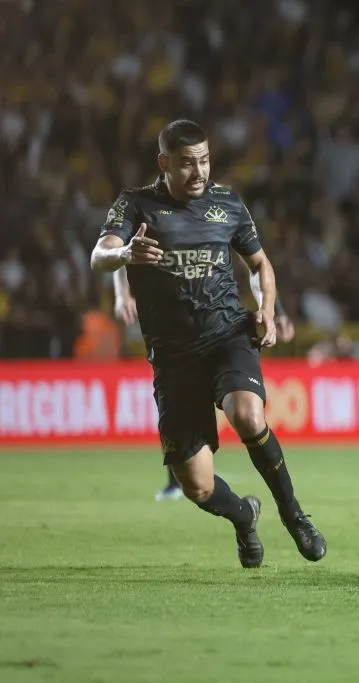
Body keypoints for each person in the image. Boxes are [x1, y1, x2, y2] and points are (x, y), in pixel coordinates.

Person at [90, 119, 326, 568]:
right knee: (196, 485)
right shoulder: (136, 205)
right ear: (163, 163)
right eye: (186, 164)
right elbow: (99, 256)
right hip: (174, 358)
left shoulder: (227, 202)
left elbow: (260, 265)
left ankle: (295, 517)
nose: (198, 172)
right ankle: (243, 515)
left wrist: (267, 308)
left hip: (227, 334)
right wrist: (124, 254)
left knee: (246, 412)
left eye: (204, 161)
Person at [111, 267, 297, 502]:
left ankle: (190, 471)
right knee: (176, 401)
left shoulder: (222, 238)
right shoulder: (153, 233)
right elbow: (119, 250)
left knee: (217, 403)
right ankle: (181, 474)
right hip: (170, 329)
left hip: (219, 327)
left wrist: (274, 310)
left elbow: (256, 264)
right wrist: (122, 293)